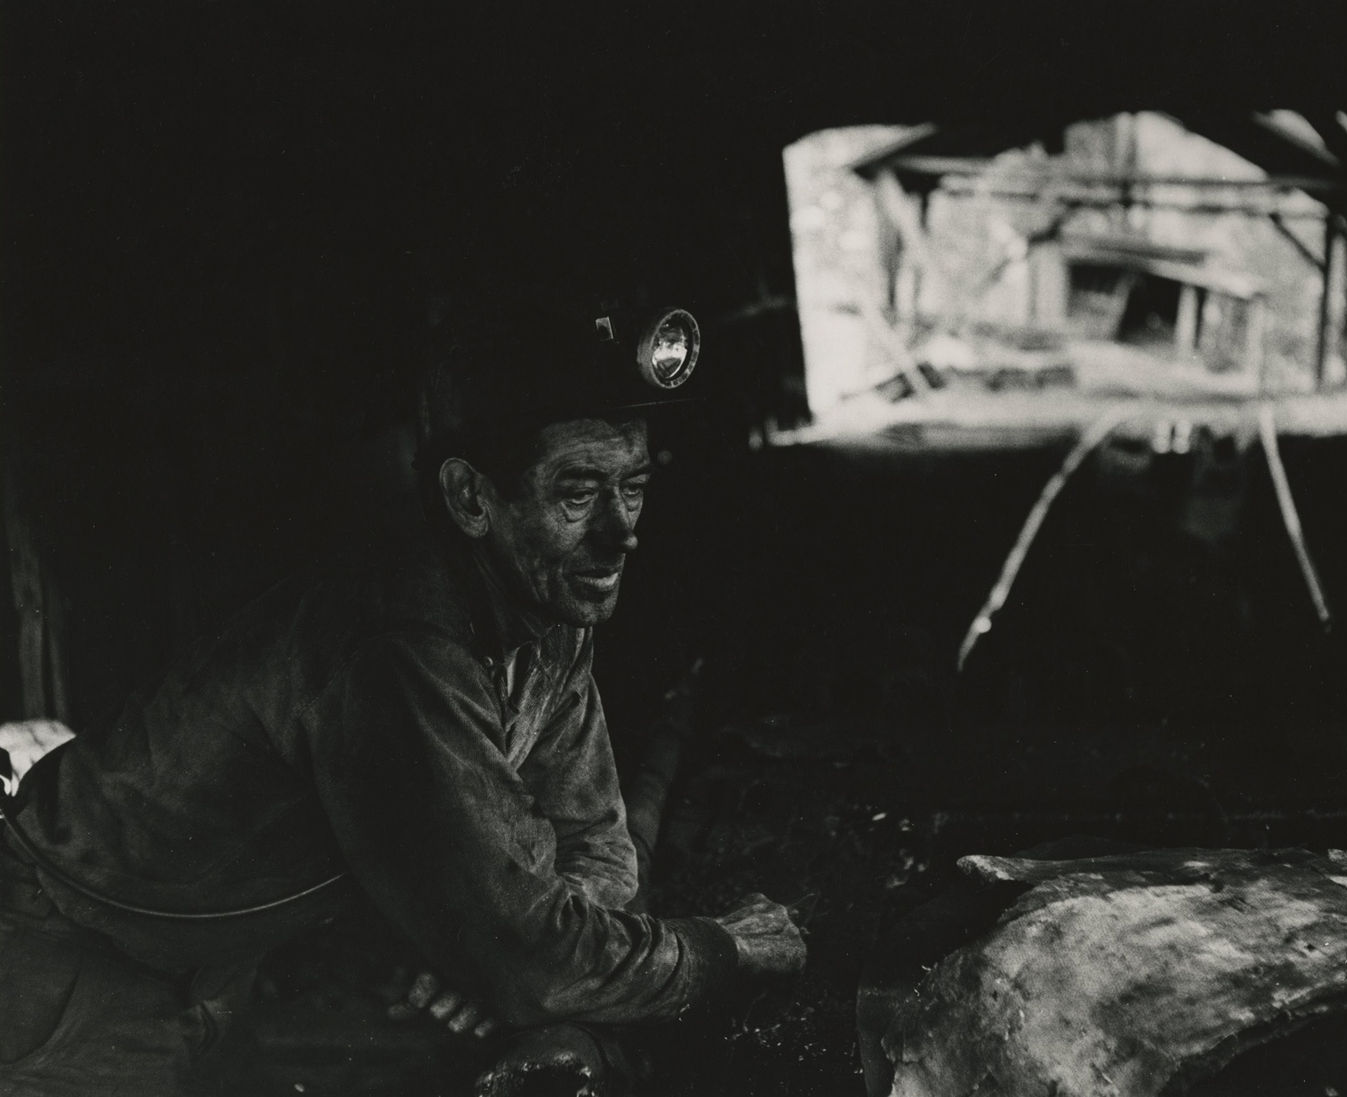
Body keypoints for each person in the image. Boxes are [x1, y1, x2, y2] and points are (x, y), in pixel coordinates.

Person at [0, 290, 806, 1095]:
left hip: (218, 961)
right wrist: (716, 949)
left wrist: (506, 957)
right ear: (471, 499)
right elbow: (535, 957)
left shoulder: (548, 603)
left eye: (633, 485)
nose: (620, 531)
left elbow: (592, 843)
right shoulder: (403, 641)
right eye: (577, 493)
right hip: (73, 962)